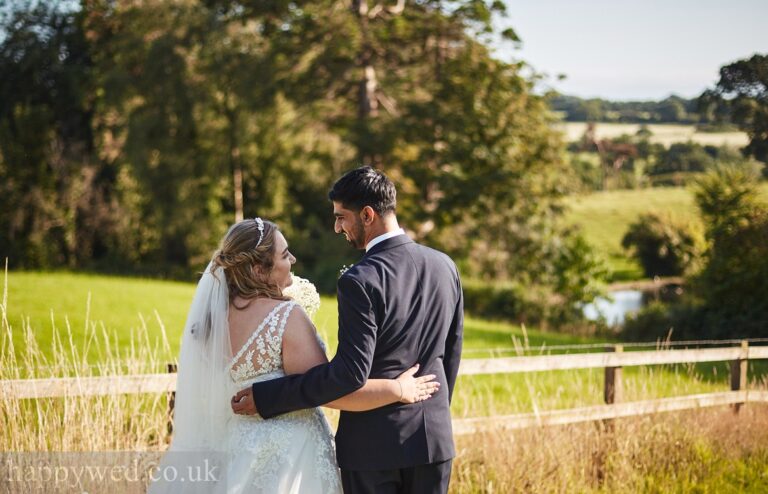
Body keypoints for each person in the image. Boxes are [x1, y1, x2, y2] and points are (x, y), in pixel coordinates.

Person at [148, 218, 440, 494]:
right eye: (285, 255)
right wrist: (398, 389)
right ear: (260, 270)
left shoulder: (209, 323)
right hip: (291, 456)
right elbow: (330, 391)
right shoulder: (284, 316)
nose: (293, 261)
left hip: (234, 449)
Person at [232, 167, 464, 494]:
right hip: (434, 441)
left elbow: (348, 374)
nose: (337, 226)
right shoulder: (446, 266)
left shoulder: (361, 280)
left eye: (342, 217)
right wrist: (435, 411)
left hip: (373, 450)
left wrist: (267, 396)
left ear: (367, 215)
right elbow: (451, 356)